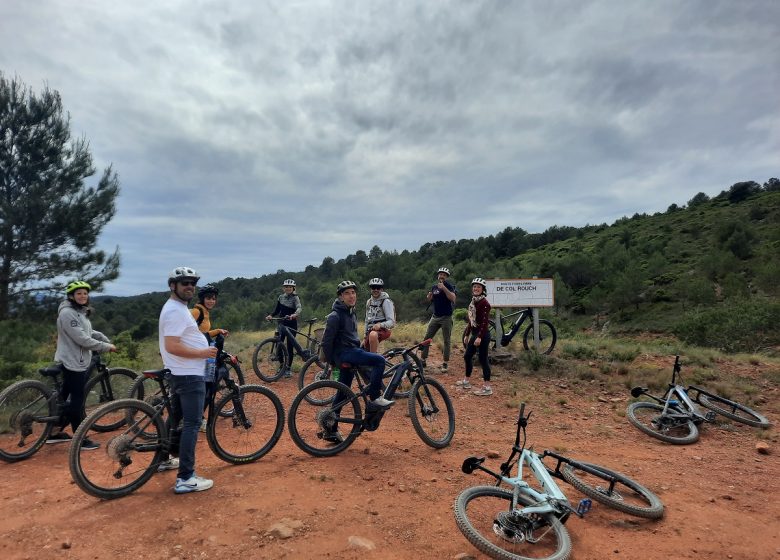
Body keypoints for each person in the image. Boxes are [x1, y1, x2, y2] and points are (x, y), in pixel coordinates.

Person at [158, 266, 217, 494]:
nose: (189, 287)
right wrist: (202, 353)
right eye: (184, 283)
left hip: (182, 372)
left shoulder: (178, 308)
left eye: (192, 283)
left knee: (176, 420)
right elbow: (173, 346)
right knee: (192, 425)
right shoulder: (175, 310)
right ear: (173, 286)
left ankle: (163, 459)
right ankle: (186, 478)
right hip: (188, 374)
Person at [320, 280, 393, 443]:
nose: (351, 296)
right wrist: (334, 362)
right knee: (379, 361)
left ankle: (330, 430)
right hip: (345, 355)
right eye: (346, 293)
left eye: (353, 292)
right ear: (340, 297)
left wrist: (359, 345)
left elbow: (350, 337)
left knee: (343, 392)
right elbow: (326, 342)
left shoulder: (351, 312)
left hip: (351, 351)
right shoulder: (335, 316)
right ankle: (374, 398)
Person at [48, 281, 117, 449]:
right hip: (73, 361)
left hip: (75, 358)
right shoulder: (67, 313)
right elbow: (82, 339)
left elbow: (86, 331)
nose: (82, 296)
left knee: (64, 397)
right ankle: (80, 440)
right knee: (77, 400)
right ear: (71, 296)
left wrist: (101, 336)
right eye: (78, 293)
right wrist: (106, 347)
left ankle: (53, 432)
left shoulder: (79, 311)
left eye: (85, 293)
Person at [191, 283, 229, 432]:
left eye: (213, 298)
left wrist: (218, 330)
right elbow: (184, 329)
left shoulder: (205, 312)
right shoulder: (196, 311)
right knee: (207, 386)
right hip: (198, 355)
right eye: (208, 298)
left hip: (203, 352)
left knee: (207, 385)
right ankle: (199, 419)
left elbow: (203, 333)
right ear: (202, 299)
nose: (211, 301)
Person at [265, 279, 307, 378]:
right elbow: (277, 309)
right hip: (281, 324)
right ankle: (281, 366)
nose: (288, 288)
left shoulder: (295, 298)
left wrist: (294, 314)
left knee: (289, 347)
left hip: (291, 324)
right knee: (278, 345)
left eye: (290, 287)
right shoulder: (281, 297)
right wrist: (270, 315)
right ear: (283, 288)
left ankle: (288, 369)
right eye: (286, 287)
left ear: (293, 288)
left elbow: (299, 308)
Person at [458, 278, 493, 396]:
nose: (476, 288)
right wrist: (467, 334)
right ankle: (466, 381)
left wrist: (479, 337)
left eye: (478, 287)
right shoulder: (473, 302)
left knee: (483, 359)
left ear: (483, 290)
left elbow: (484, 322)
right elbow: (471, 320)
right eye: (474, 287)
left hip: (483, 335)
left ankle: (487, 387)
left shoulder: (484, 303)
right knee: (467, 356)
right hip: (475, 334)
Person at [419, 267, 457, 372]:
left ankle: (445, 363)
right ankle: (423, 360)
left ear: (447, 277)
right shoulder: (434, 287)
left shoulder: (449, 286)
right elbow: (431, 299)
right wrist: (429, 296)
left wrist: (444, 288)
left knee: (446, 340)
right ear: (438, 275)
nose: (442, 276)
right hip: (435, 317)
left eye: (444, 275)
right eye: (440, 274)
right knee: (426, 338)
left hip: (446, 318)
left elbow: (453, 298)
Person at [363, 278, 396, 353]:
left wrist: (380, 325)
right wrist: (365, 336)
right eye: (373, 287)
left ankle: (373, 361)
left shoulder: (386, 301)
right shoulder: (369, 302)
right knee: (362, 351)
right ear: (370, 289)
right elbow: (366, 320)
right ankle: (375, 358)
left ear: (382, 289)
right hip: (371, 330)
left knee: (373, 335)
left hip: (384, 329)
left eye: (378, 288)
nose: (376, 290)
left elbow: (392, 322)